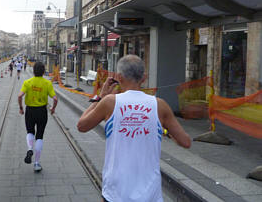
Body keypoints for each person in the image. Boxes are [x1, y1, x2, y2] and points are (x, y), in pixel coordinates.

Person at [77, 55, 191, 202]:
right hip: (150, 194)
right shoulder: (160, 105)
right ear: (144, 78)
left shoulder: (109, 102)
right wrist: (162, 129)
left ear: (119, 77)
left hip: (116, 192)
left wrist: (99, 97)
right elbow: (185, 142)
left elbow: (82, 125)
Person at [18, 61, 58, 172]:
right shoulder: (47, 83)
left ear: (34, 71)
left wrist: (21, 108)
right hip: (42, 111)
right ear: (43, 71)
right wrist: (53, 108)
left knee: (30, 132)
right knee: (39, 135)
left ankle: (30, 148)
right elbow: (55, 99)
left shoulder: (28, 82)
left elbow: (20, 95)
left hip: (30, 111)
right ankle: (36, 163)